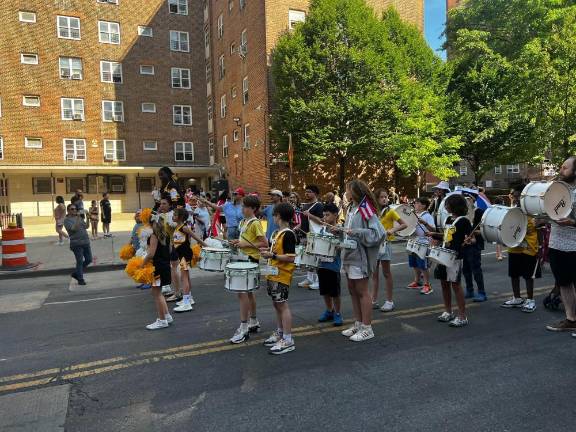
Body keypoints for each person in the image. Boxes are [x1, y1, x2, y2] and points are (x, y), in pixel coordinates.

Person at [336, 180, 385, 342]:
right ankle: (358, 323)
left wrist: (355, 232)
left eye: (347, 190)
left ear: (354, 191)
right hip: (349, 256)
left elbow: (378, 233)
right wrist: (339, 231)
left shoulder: (365, 209)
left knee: (363, 291)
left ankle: (367, 327)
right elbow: (349, 232)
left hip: (360, 257)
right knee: (352, 290)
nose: (345, 193)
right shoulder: (351, 208)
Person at [427, 194, 472, 327]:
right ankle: (448, 311)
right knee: (444, 284)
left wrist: (469, 240)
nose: (445, 206)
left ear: (454, 205)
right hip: (444, 254)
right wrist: (434, 234)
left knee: (455, 286)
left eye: (447, 204)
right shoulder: (447, 219)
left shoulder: (464, 221)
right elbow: (447, 236)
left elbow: (472, 238)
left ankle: (462, 316)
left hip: (455, 257)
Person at [228, 195, 268, 343]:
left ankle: (244, 327)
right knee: (248, 293)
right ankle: (253, 321)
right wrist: (239, 242)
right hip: (244, 259)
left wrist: (245, 245)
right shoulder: (244, 222)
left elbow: (265, 244)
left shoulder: (255, 223)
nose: (242, 209)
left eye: (245, 207)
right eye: (242, 206)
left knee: (242, 294)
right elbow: (247, 240)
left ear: (253, 209)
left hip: (250, 260)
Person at [260, 203, 298, 354]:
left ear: (279, 216)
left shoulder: (288, 234)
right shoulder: (277, 233)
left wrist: (273, 255)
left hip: (282, 275)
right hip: (273, 274)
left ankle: (288, 339)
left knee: (282, 305)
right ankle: (280, 332)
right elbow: (274, 250)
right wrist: (267, 251)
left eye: (274, 215)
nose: (273, 217)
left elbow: (290, 258)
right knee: (277, 304)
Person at [545, 156, 576, 335]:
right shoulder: (556, 190)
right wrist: (542, 220)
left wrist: (572, 223)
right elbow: (551, 213)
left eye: (565, 168)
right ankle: (571, 319)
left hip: (574, 246)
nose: (561, 170)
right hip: (556, 244)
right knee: (564, 284)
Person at [501, 185, 540, 312]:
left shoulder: (532, 209)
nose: (515, 198)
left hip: (529, 246)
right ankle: (517, 298)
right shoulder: (512, 210)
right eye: (514, 195)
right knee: (514, 274)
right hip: (514, 246)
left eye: (518, 196)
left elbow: (542, 224)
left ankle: (530, 300)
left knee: (528, 275)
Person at [371, 189, 408, 312]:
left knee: (386, 273)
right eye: (381, 197)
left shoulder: (390, 212)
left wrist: (392, 230)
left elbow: (404, 224)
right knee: (374, 274)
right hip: (374, 245)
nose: (385, 199)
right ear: (376, 198)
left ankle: (389, 301)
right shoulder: (372, 212)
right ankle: (373, 299)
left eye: (386, 197)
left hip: (385, 244)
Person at [171, 207, 206, 313]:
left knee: (184, 278)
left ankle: (186, 303)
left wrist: (205, 245)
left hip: (185, 255)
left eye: (175, 215)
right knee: (186, 277)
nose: (173, 216)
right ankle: (189, 298)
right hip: (181, 255)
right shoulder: (177, 227)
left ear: (180, 217)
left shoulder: (184, 227)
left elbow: (195, 237)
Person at [141, 215, 173, 330]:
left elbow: (151, 254)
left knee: (156, 293)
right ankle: (167, 316)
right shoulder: (167, 235)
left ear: (153, 224)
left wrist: (142, 265)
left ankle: (162, 320)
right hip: (165, 266)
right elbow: (169, 250)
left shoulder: (154, 236)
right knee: (159, 293)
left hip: (157, 268)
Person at [316, 203, 344, 326]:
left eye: (327, 215)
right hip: (321, 264)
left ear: (335, 215)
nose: (325, 218)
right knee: (325, 291)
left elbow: (342, 246)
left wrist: (337, 236)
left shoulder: (340, 229)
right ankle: (329, 310)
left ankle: (338, 313)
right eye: (324, 215)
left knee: (334, 292)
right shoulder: (322, 229)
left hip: (333, 265)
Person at [461, 189, 487, 302]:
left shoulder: (479, 212)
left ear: (473, 199)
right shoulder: (463, 213)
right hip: (465, 244)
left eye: (468, 198)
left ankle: (482, 292)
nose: (466, 200)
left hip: (475, 245)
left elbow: (484, 229)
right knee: (466, 269)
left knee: (476, 269)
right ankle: (469, 290)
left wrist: (474, 233)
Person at [298, 185, 324, 290]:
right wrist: (298, 227)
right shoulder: (305, 205)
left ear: (315, 193)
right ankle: (309, 278)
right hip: (305, 235)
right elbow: (304, 221)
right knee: (308, 258)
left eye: (309, 192)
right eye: (306, 191)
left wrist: (310, 215)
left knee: (316, 258)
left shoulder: (318, 206)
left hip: (314, 236)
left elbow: (322, 221)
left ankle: (318, 280)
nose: (307, 193)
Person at [407, 197, 435, 294]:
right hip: (413, 241)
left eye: (417, 203)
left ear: (423, 205)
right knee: (414, 263)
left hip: (423, 242)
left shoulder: (427, 216)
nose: (415, 205)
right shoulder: (413, 215)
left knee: (423, 265)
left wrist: (425, 223)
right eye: (415, 203)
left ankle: (427, 284)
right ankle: (417, 281)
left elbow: (433, 229)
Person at [157, 198, 180, 301]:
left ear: (169, 205)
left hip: (174, 245)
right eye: (160, 204)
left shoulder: (172, 215)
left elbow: (178, 227)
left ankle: (177, 293)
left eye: (164, 203)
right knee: (172, 268)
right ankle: (176, 290)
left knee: (175, 268)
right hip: (167, 246)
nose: (161, 205)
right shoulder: (162, 216)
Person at [64, 203, 92, 286]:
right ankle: (80, 279)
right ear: (68, 210)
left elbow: (86, 227)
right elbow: (73, 229)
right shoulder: (66, 220)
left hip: (85, 241)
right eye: (72, 209)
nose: (74, 210)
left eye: (75, 209)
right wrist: (78, 218)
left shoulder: (78, 218)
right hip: (76, 244)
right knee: (79, 261)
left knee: (89, 259)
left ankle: (76, 273)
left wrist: (87, 218)